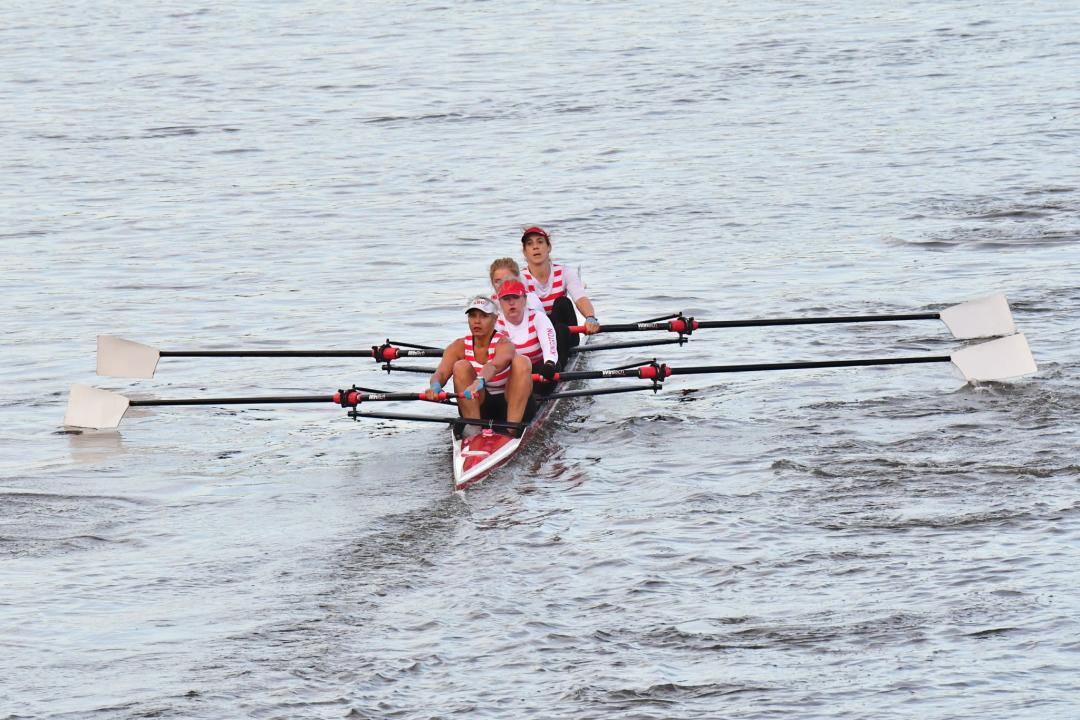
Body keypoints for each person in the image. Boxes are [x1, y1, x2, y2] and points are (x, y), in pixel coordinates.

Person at [424, 295, 536, 435]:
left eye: (483, 316)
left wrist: (478, 382)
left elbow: (493, 366)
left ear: (495, 319)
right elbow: (440, 373)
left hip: (510, 405)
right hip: (481, 407)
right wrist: (435, 387)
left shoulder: (504, 344)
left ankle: (512, 430)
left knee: (522, 362)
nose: (477, 321)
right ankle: (474, 429)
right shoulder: (458, 346)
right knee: (460, 366)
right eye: (472, 316)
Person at [519, 226, 600, 338]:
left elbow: (581, 298)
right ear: (524, 252)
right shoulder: (520, 278)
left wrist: (590, 317)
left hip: (565, 335)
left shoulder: (565, 272)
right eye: (529, 244)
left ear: (549, 247)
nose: (535, 247)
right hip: (539, 336)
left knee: (562, 302)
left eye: (540, 242)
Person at [494, 279, 561, 386]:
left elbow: (550, 348)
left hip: (540, 369)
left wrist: (549, 363)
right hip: (513, 372)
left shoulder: (538, 318)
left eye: (516, 297)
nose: (511, 302)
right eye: (506, 299)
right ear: (500, 303)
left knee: (552, 367)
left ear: (525, 300)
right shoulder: (496, 323)